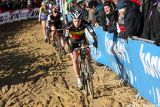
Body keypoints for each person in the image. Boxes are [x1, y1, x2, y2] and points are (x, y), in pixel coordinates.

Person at [65, 10, 98, 89]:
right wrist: (68, 46)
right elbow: (66, 37)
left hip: (82, 40)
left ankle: (89, 65)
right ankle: (78, 79)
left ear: (81, 20)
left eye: (78, 21)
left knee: (87, 50)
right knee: (75, 59)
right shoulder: (69, 25)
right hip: (73, 42)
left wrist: (95, 41)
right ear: (72, 20)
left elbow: (92, 32)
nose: (76, 23)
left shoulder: (85, 23)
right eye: (75, 21)